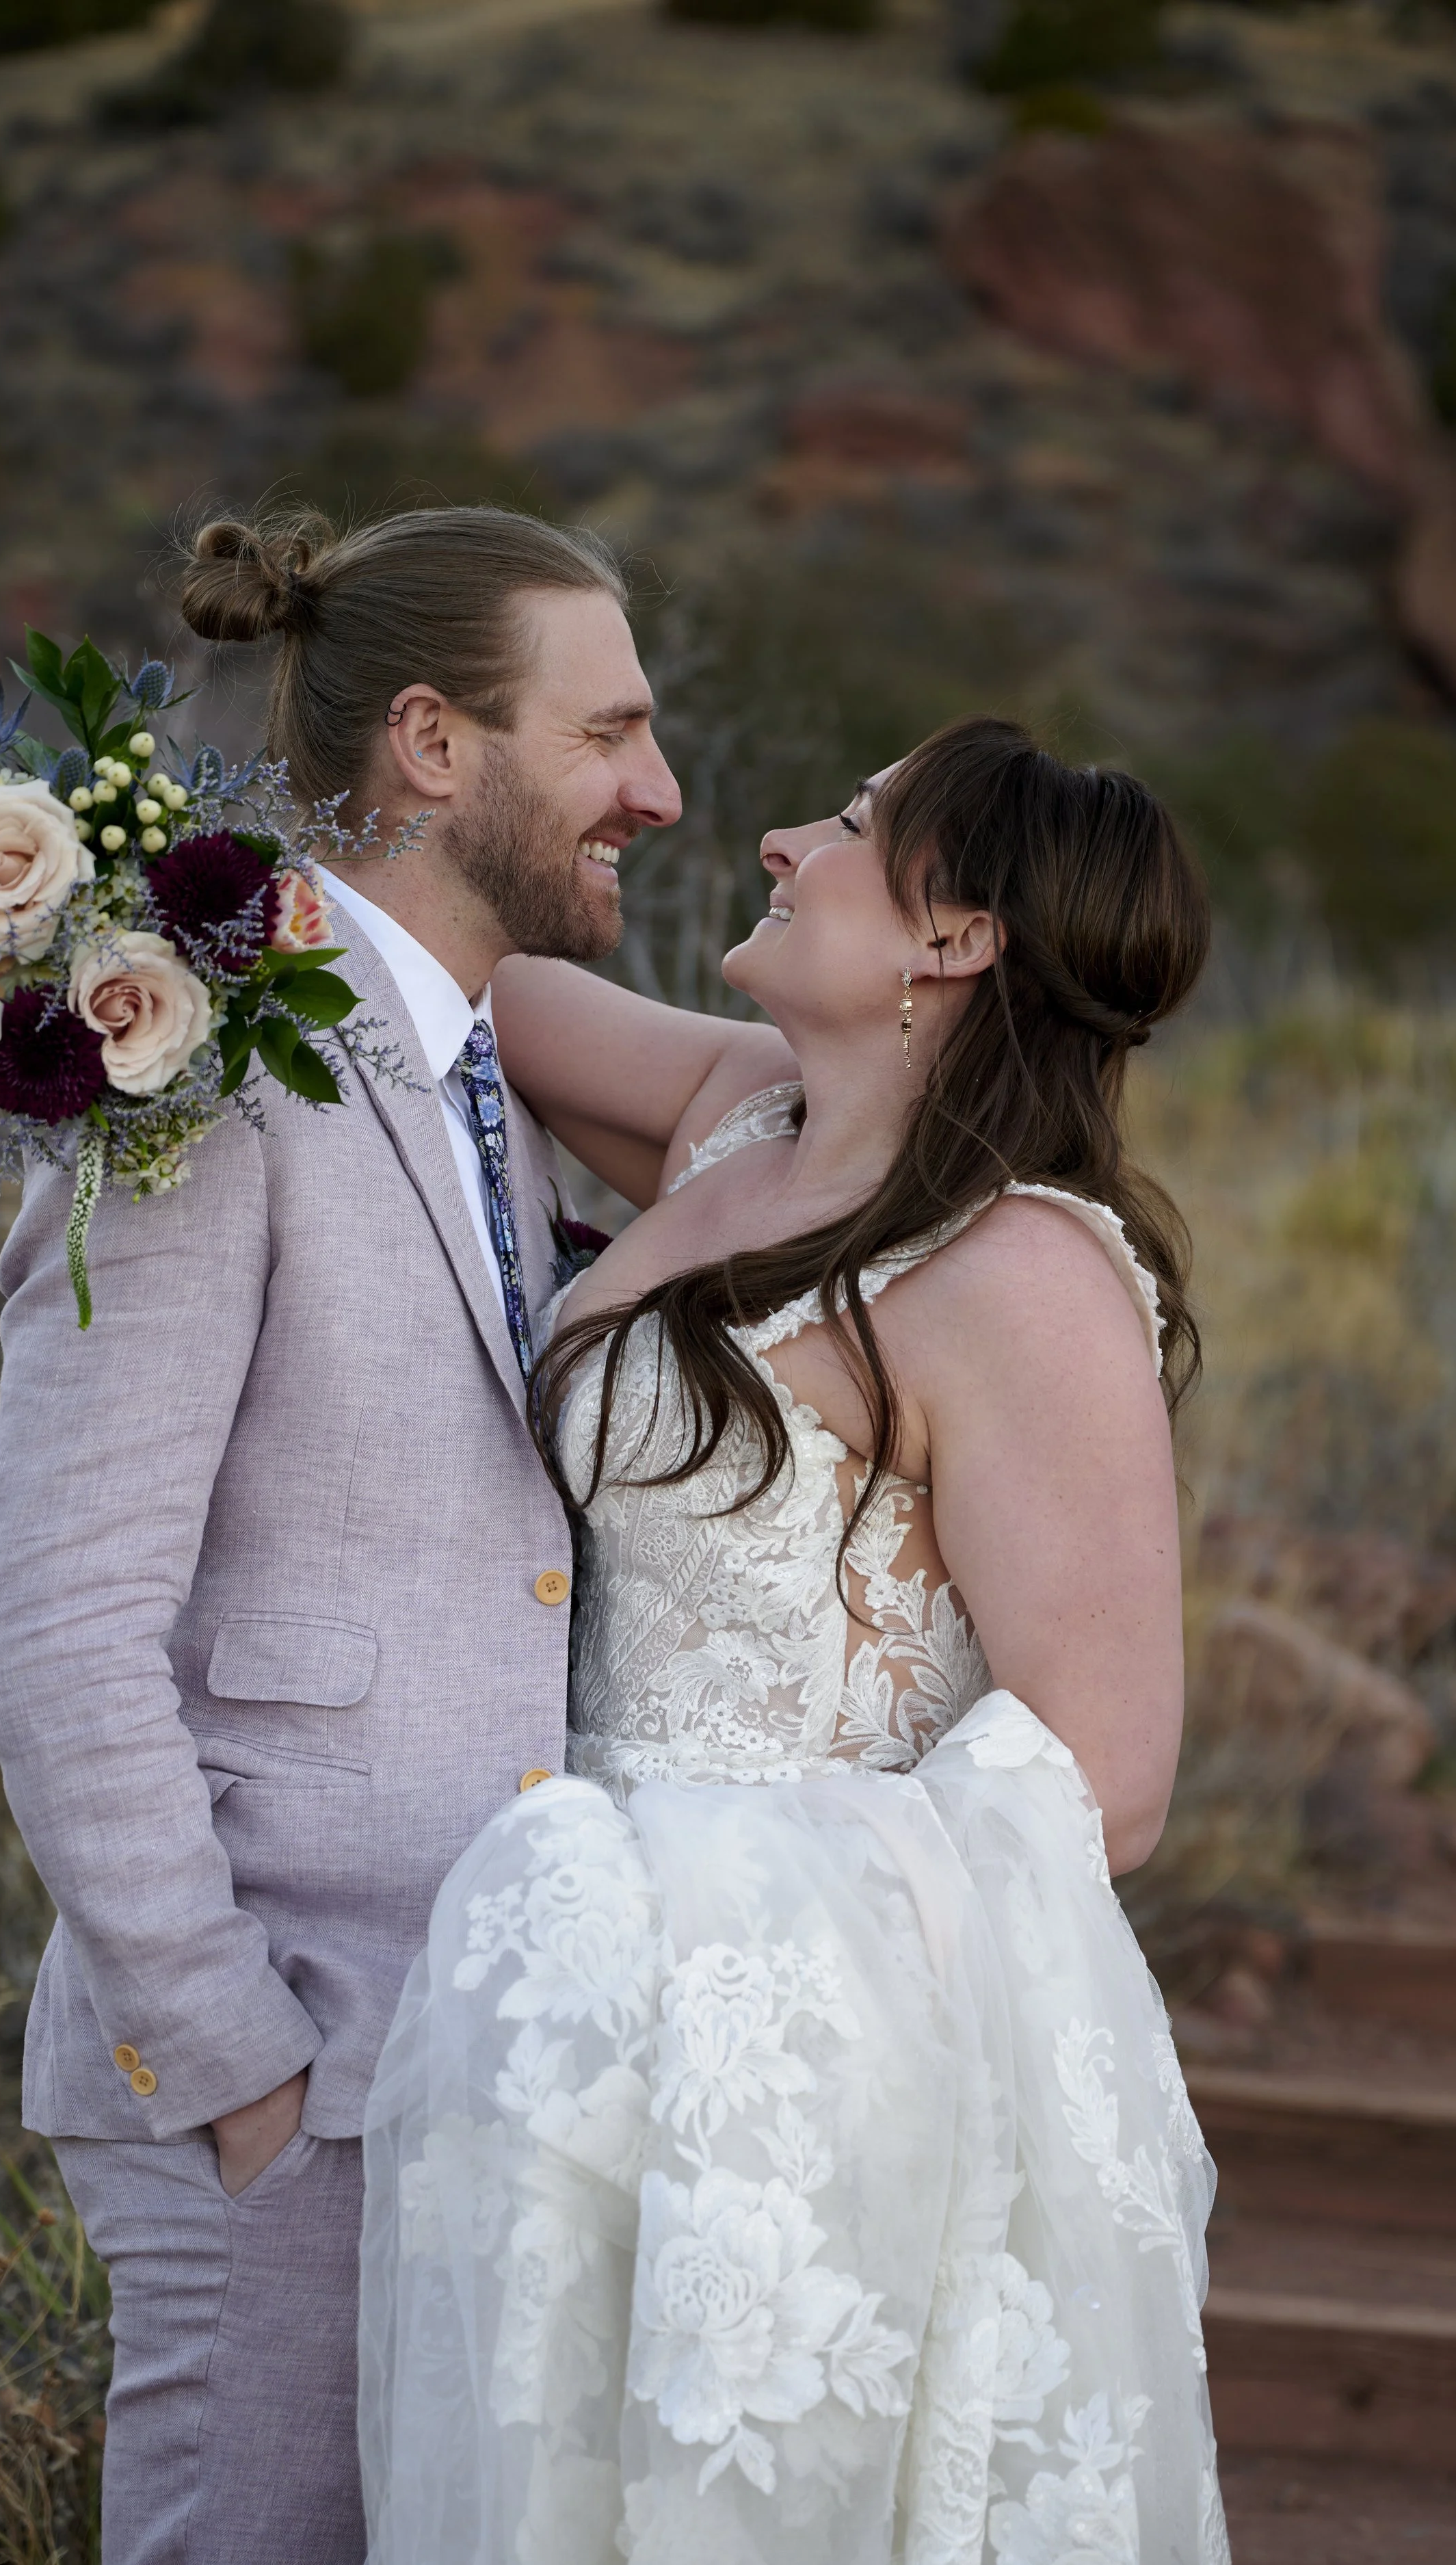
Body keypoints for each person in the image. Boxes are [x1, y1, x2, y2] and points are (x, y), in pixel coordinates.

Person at [359, 717, 1230, 2563]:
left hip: (789, 2063)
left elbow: (1112, 1781)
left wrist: (692, 1907)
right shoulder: (737, 1117)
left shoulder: (1016, 1274)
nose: (771, 840)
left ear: (954, 938)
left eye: (846, 825)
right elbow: (435, 980)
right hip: (574, 2015)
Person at [0, 503, 681, 2565]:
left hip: (478, 2046)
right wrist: (239, 2071)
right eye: (610, 727)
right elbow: (54, 1629)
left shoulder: (481, 1081)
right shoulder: (194, 1067)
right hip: (287, 2072)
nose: (660, 785)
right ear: (436, 748)